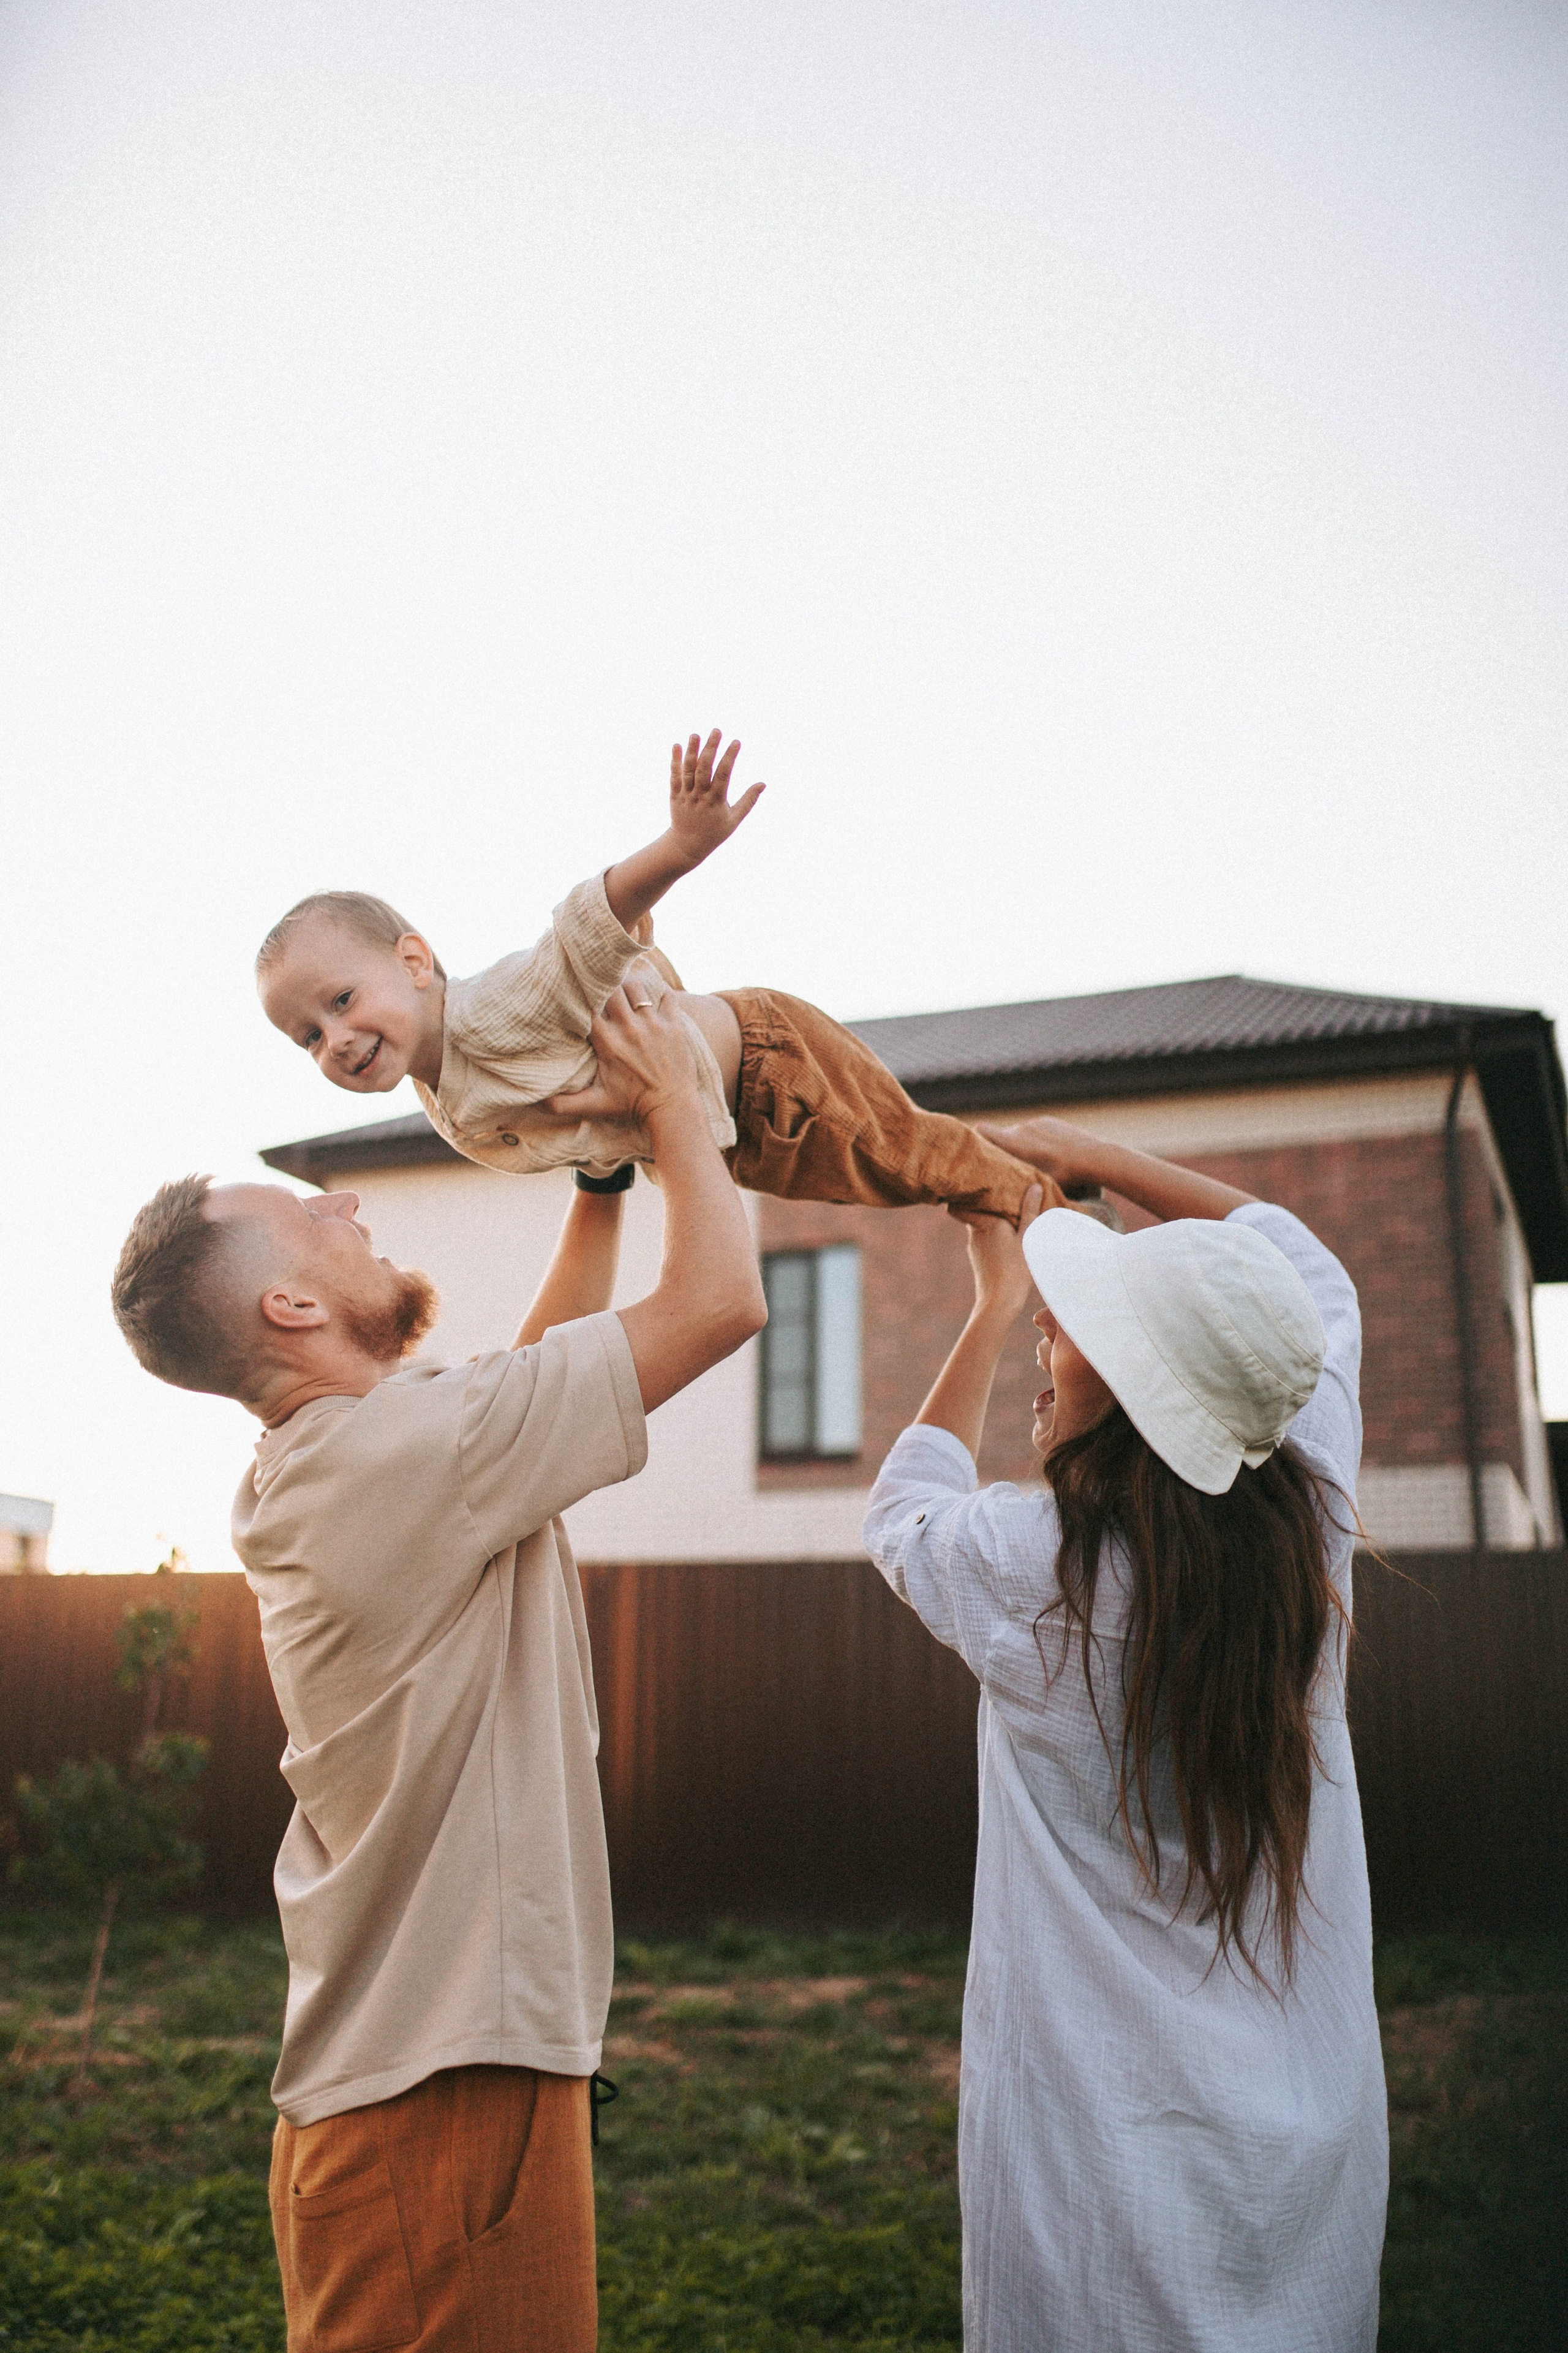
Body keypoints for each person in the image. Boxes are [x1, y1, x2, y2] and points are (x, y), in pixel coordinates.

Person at [109, 986, 766, 2353]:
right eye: (315, 1218)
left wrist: (599, 1182)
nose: (348, 1209)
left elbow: (526, 1382)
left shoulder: (368, 1456)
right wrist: (673, 1104)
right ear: (291, 1303)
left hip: (428, 2090)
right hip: (440, 2103)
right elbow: (718, 1302)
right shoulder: (385, 1456)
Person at [862, 1114, 1387, 2353]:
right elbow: (1305, 1270)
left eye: (1074, 1327)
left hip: (1092, 2163)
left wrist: (997, 1287)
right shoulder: (1303, 1491)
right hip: (1301, 2139)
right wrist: (1101, 1168)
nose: (1051, 1331)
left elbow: (899, 1512)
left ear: (1146, 1393)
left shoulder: (1031, 1561)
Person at [253, 728, 1079, 1226]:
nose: (337, 1040)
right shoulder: (446, 1105)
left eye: (341, 1001)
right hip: (731, 1134)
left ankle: (1062, 1218)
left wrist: (679, 848)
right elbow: (577, 1131)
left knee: (915, 1159)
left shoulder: (489, 1011)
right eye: (308, 1038)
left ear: (414, 961)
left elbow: (580, 935)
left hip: (771, 1068)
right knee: (900, 1172)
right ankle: (1030, 1161)